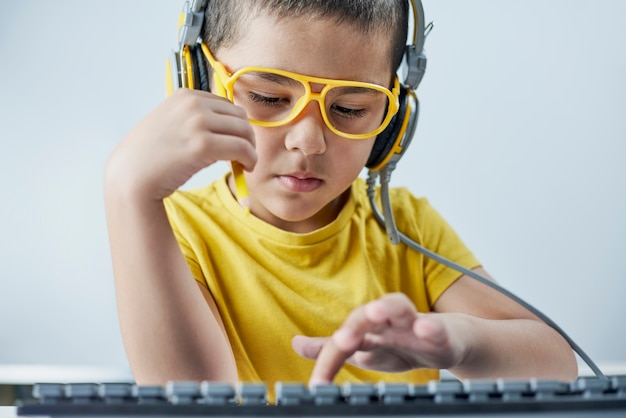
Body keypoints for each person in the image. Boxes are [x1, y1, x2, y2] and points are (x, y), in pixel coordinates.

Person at [103, 0, 577, 396]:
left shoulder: (404, 227)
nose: (308, 142)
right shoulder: (174, 230)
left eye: (350, 109)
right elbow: (197, 397)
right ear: (197, 83)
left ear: (394, 121)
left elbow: (558, 364)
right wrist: (129, 192)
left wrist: (458, 342)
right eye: (268, 98)